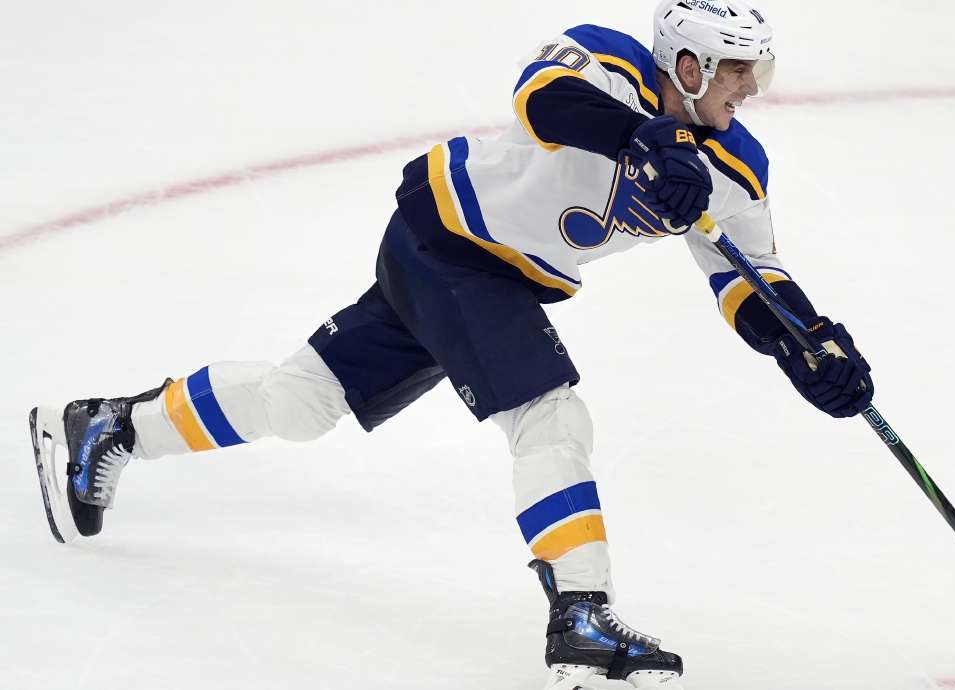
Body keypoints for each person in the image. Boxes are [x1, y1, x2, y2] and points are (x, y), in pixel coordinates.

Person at [27, 1, 873, 688]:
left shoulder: (737, 163)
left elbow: (746, 273)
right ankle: (580, 613)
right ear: (686, 64)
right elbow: (542, 99)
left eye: (753, 69)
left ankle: (112, 426)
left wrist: (806, 344)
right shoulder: (608, 62)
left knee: (302, 402)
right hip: (451, 242)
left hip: (479, 274)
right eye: (734, 69)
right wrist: (643, 140)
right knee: (550, 417)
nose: (749, 87)